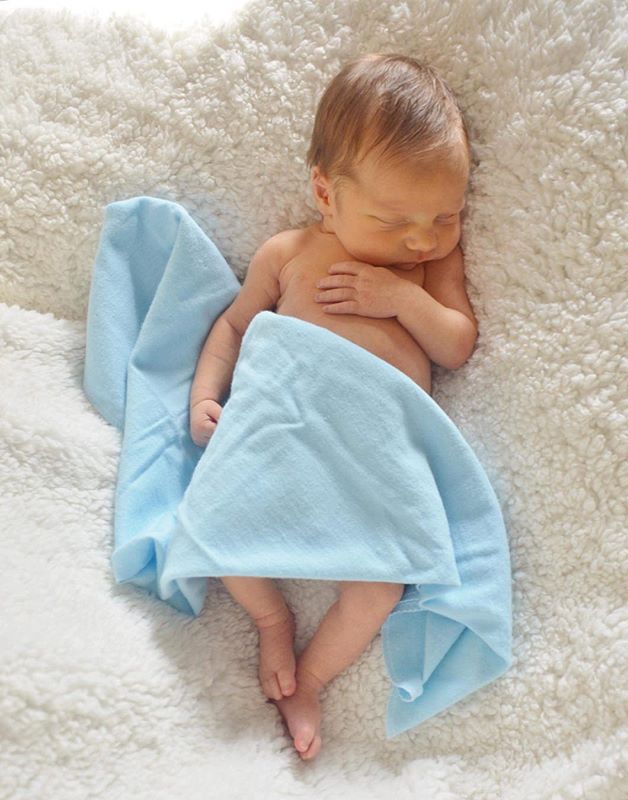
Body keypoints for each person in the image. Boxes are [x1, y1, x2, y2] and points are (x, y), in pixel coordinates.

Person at [189, 53, 477, 760]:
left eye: (445, 214)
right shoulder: (288, 253)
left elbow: (458, 344)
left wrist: (405, 298)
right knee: (211, 529)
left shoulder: (426, 266)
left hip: (376, 443)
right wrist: (206, 394)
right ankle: (272, 623)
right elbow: (232, 327)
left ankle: (311, 677)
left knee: (380, 586)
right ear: (325, 192)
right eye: (393, 219)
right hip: (286, 421)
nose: (420, 237)